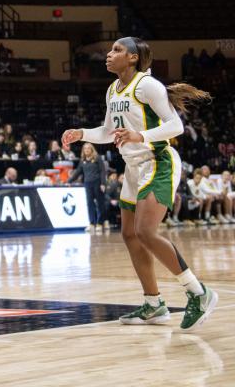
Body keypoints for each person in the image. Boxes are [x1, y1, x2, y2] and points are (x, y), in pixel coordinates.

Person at [62, 37, 217, 330]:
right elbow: (109, 132)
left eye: (116, 50)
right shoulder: (113, 89)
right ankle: (154, 303)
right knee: (130, 235)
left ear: (133, 58)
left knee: (146, 232)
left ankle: (198, 292)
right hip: (133, 167)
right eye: (110, 50)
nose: (109, 55)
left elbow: (176, 126)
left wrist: (140, 136)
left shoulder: (147, 86)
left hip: (158, 161)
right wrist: (81, 132)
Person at [70, 143, 110, 234]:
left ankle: (100, 223)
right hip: (88, 184)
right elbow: (78, 172)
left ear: (92, 149)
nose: (87, 150)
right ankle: (92, 223)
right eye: (85, 148)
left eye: (89, 148)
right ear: (83, 150)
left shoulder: (97, 158)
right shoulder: (82, 160)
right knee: (89, 203)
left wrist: (103, 183)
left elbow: (102, 171)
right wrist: (69, 181)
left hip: (98, 183)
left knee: (100, 204)